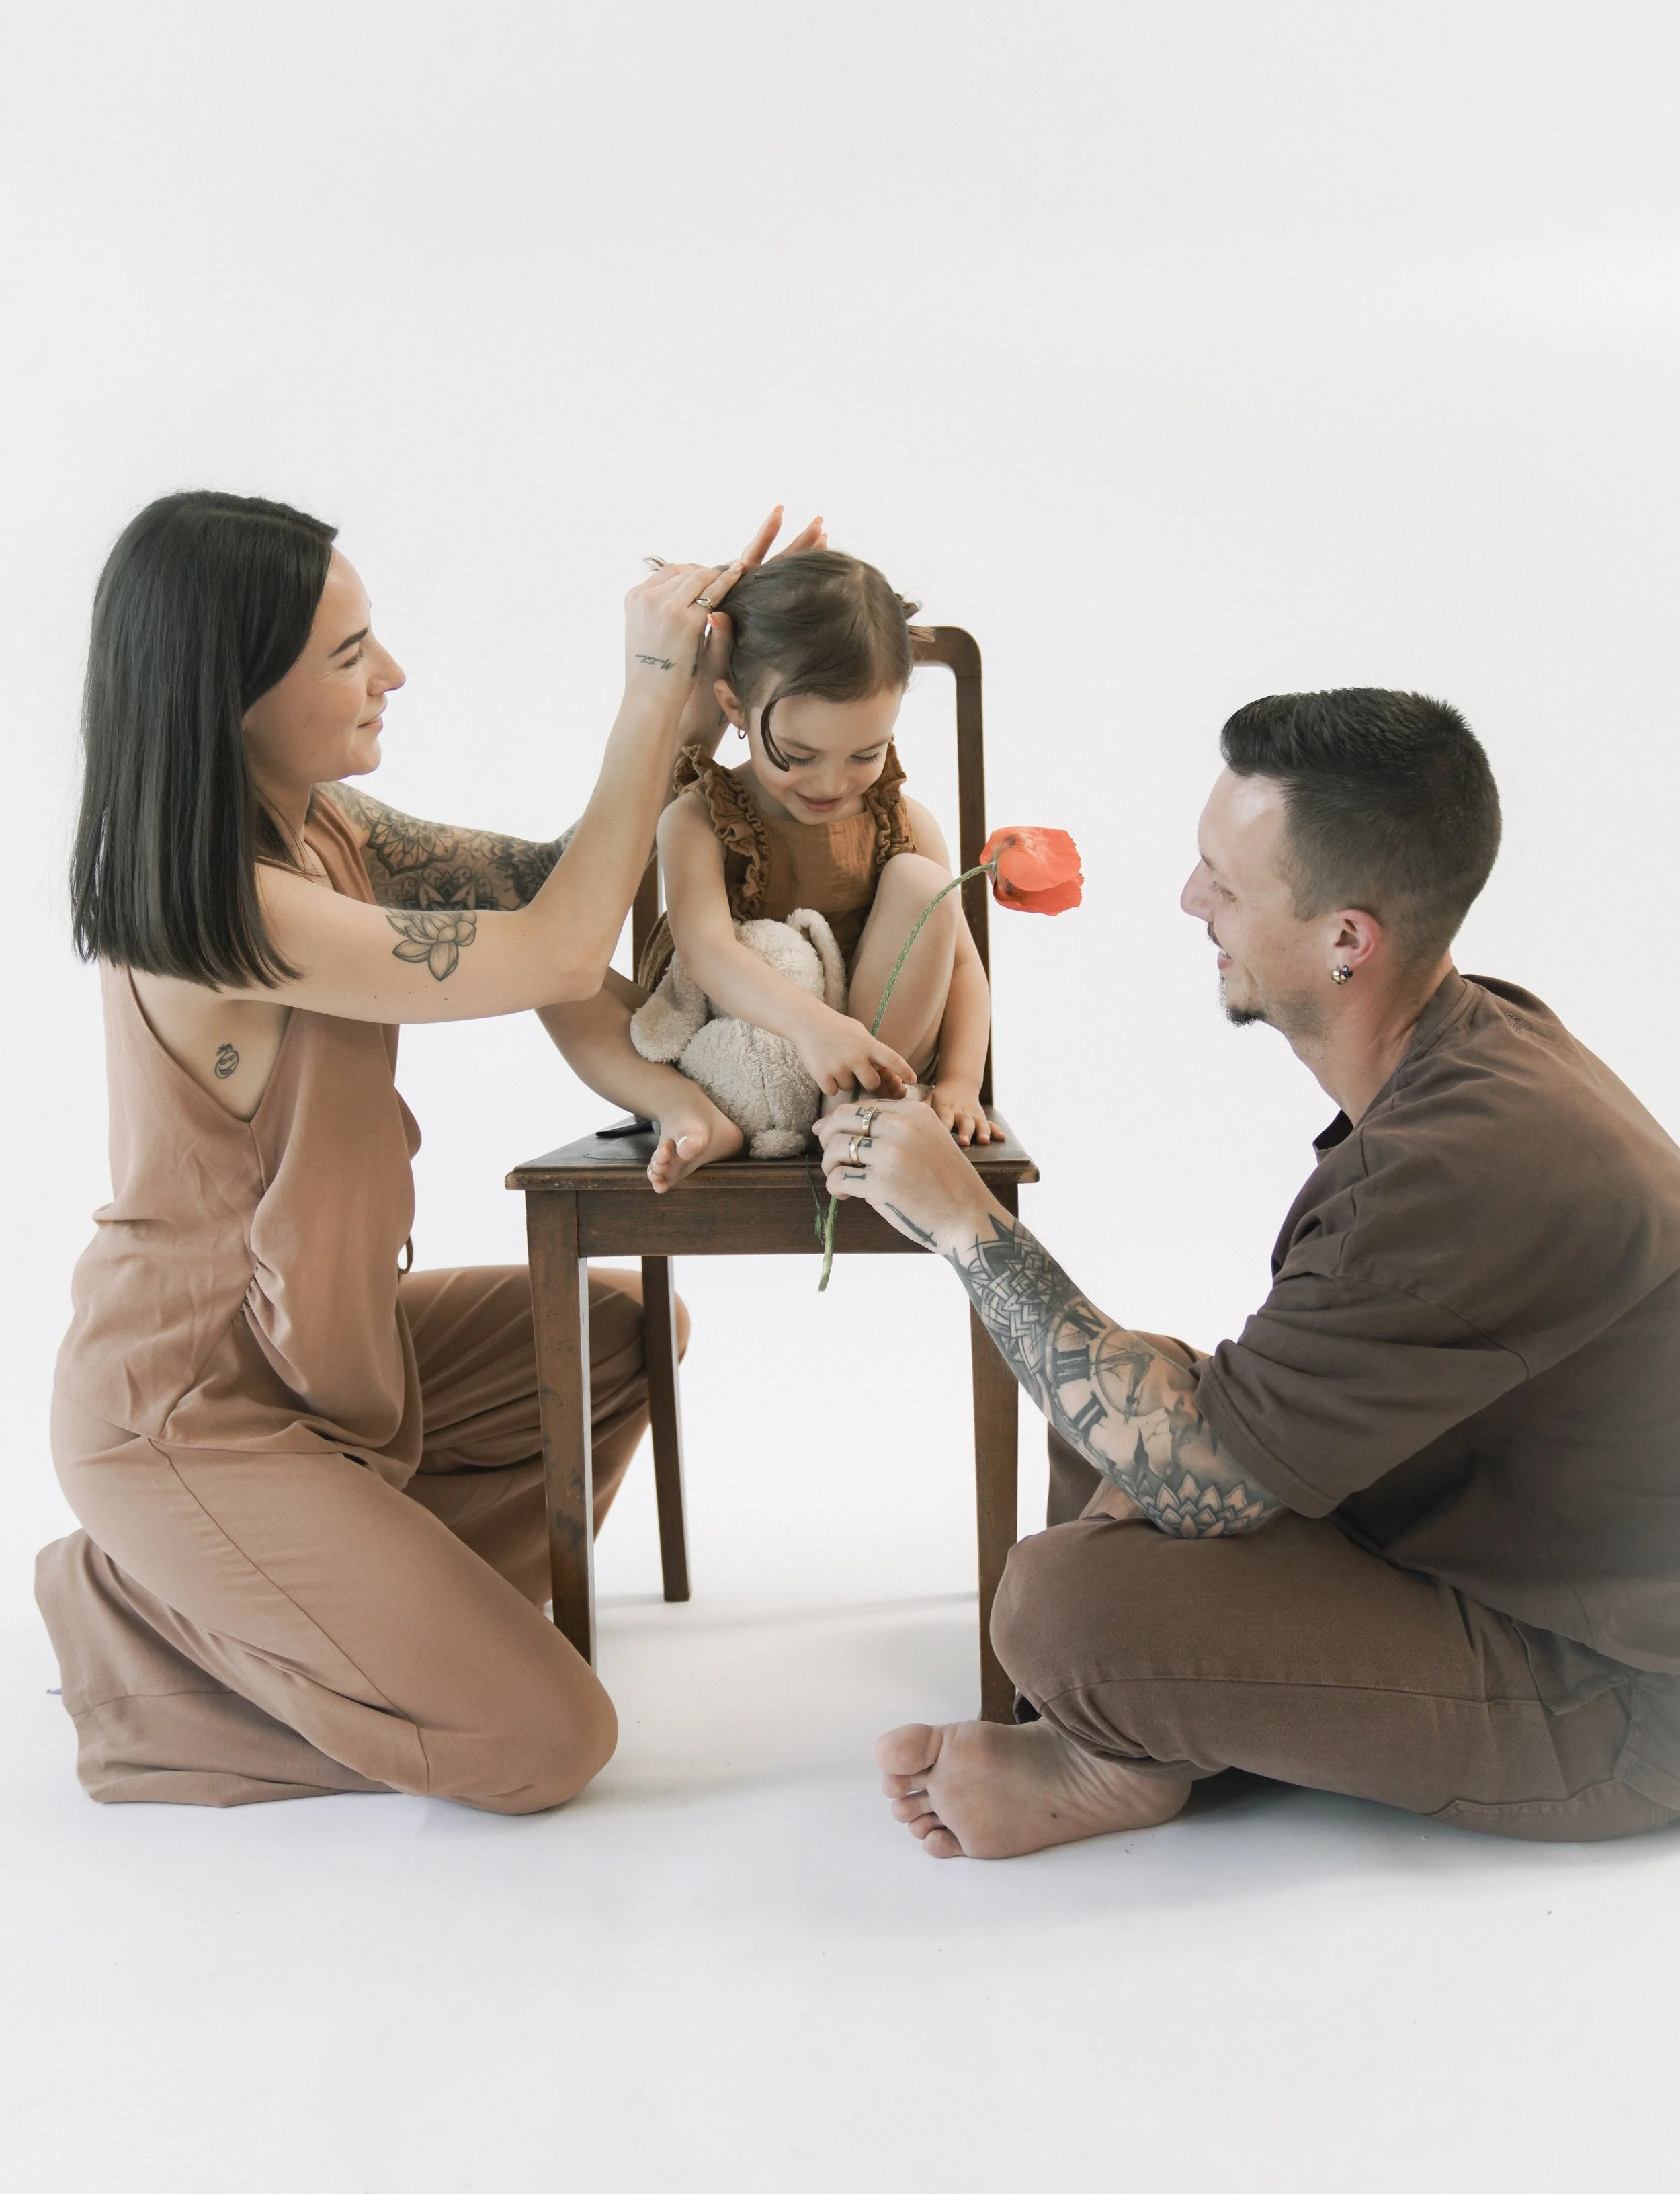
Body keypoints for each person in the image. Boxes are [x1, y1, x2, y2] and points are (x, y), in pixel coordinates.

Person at [35, 489, 833, 1812]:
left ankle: (280, 1596)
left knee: (626, 1335)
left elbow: (552, 881)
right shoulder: (216, 910)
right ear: (232, 695)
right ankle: (147, 1655)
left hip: (329, 1356)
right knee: (544, 1741)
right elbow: (556, 950)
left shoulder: (330, 828)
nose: (392, 674)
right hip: (191, 1411)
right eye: (351, 655)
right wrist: (643, 694)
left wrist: (691, 713)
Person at [817, 689, 1680, 1856]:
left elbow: (1205, 1483)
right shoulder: (1476, 1045)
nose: (1191, 900)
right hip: (1456, 1530)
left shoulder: (1459, 1162)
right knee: (1116, 1399)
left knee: (1062, 1604)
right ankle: (1153, 1721)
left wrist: (963, 1222)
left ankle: (1120, 1759)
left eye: (1224, 883)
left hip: (1613, 1695)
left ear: (1346, 939)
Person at [547, 551, 996, 1190]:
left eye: (866, 753)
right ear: (734, 706)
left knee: (924, 884)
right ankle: (685, 1109)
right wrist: (814, 1027)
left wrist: (960, 1082)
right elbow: (707, 954)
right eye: (799, 755)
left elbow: (961, 968)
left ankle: (857, 1105)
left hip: (870, 1052)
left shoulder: (902, 823)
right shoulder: (699, 818)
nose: (831, 783)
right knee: (552, 976)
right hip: (726, 1053)